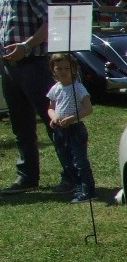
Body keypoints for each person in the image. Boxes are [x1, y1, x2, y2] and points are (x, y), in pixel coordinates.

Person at [0, 0, 74, 195]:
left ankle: (72, 175)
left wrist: (26, 45)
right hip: (9, 68)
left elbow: (52, 19)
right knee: (20, 125)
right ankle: (27, 176)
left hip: (34, 65)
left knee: (53, 120)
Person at [46, 53, 94, 203]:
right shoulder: (55, 88)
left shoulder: (78, 88)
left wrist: (72, 118)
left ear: (73, 69)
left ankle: (88, 190)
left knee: (79, 161)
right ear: (53, 70)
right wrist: (54, 118)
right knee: (66, 159)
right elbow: (51, 108)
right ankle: (74, 185)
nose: (63, 71)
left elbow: (88, 108)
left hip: (75, 129)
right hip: (60, 130)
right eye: (59, 68)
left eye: (67, 68)